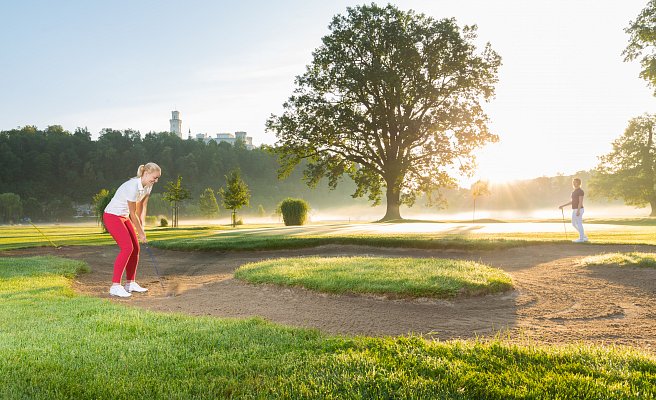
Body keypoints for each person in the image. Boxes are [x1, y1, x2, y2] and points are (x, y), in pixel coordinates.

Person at [103, 163, 161, 297]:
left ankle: (130, 283)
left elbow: (142, 207)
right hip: (112, 216)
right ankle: (115, 286)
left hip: (123, 216)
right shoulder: (132, 186)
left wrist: (142, 226)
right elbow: (132, 212)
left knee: (135, 248)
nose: (156, 180)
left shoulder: (148, 186)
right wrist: (140, 232)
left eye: (157, 178)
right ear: (146, 173)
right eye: (154, 177)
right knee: (127, 248)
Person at [559, 177, 588, 243]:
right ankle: (584, 237)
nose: (574, 183)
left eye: (575, 182)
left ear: (579, 183)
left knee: (579, 223)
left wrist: (578, 211)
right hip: (575, 209)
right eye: (573, 182)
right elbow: (572, 201)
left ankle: (581, 239)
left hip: (579, 209)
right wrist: (563, 206)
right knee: (573, 224)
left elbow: (580, 202)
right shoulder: (574, 192)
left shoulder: (580, 191)